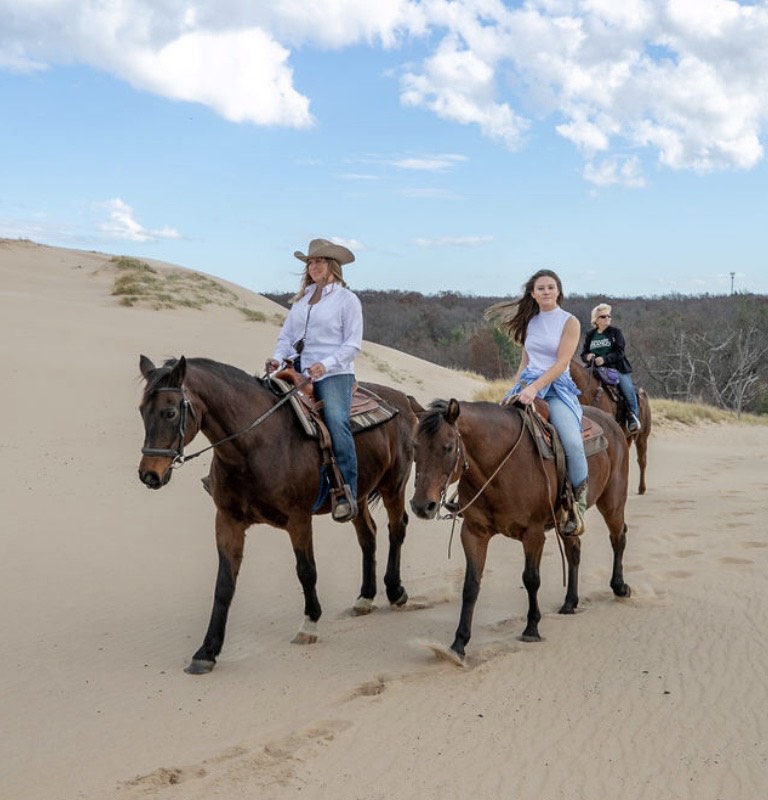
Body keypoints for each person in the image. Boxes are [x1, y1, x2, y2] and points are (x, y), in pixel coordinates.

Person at [265, 238, 363, 523]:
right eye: (310, 262)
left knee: (336, 421)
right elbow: (286, 337)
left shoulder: (347, 300)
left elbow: (353, 344)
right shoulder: (302, 300)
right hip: (297, 370)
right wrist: (276, 357)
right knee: (261, 404)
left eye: (318, 261)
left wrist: (326, 364)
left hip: (335, 373)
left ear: (332, 266)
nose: (313, 266)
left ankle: (347, 492)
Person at [486, 269, 589, 535]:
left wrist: (535, 388)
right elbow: (525, 361)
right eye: (541, 288)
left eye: (550, 287)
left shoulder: (569, 321)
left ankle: (577, 503)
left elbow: (562, 363)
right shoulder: (530, 321)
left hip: (556, 388)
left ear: (558, 291)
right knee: (494, 432)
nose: (546, 291)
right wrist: (515, 388)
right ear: (533, 293)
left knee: (573, 443)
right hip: (528, 384)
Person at [580, 303, 641, 433]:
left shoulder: (615, 333)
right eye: (603, 316)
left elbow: (620, 352)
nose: (607, 318)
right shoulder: (591, 335)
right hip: (594, 369)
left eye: (609, 316)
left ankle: (633, 417)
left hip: (616, 368)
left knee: (627, 389)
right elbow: (583, 353)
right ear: (595, 319)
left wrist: (604, 359)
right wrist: (588, 356)